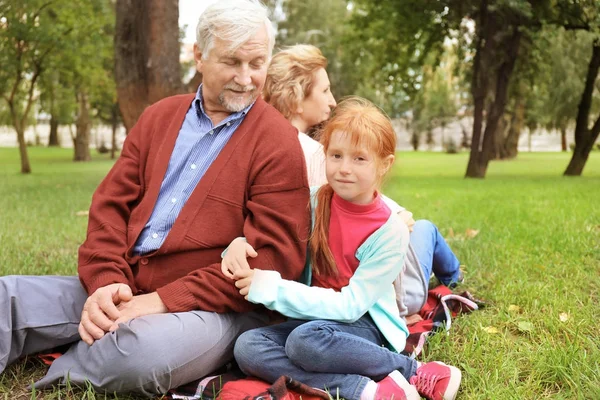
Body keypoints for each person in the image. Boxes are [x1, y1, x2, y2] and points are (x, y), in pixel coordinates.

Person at [0, 0, 310, 396]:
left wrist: (161, 301)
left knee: (138, 354)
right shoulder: (158, 117)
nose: (246, 78)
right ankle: (94, 334)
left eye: (257, 63)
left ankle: (72, 353)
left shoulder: (277, 142)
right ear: (199, 56)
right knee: (6, 297)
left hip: (215, 308)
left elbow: (274, 258)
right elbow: (110, 209)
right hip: (128, 284)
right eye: (232, 62)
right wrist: (106, 284)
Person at [225, 97, 462, 400]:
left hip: (363, 325)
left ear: (384, 165)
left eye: (359, 159)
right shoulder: (312, 201)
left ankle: (412, 371)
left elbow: (351, 306)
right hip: (313, 319)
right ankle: (364, 389)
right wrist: (237, 243)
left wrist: (274, 289)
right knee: (248, 347)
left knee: (303, 342)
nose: (344, 169)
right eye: (336, 155)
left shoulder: (390, 231)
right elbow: (267, 230)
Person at [258, 44, 463, 321]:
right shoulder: (312, 155)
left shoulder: (265, 147)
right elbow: (399, 219)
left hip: (346, 287)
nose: (332, 101)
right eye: (324, 90)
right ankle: (454, 276)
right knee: (425, 228)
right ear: (295, 96)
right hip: (376, 296)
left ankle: (453, 275)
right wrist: (395, 220)